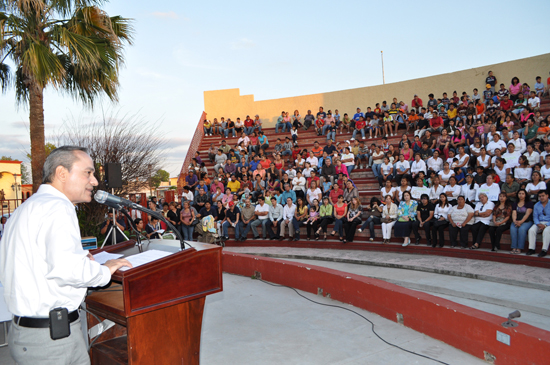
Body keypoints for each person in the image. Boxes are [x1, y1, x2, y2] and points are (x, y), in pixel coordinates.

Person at [0, 146, 132, 364]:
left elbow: (43, 264)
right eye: (87, 173)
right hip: (50, 341)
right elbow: (69, 270)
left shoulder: (28, 207)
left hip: (36, 334)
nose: (95, 181)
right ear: (62, 173)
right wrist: (105, 269)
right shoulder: (57, 207)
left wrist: (81, 260)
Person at [527, 190, 550, 257]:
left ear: (547, 195)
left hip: (549, 223)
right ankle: (531, 248)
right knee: (531, 230)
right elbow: (535, 217)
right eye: (540, 196)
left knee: (546, 231)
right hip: (539, 223)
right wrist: (538, 224)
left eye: (543, 196)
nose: (541, 197)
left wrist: (546, 225)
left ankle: (544, 250)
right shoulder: (537, 205)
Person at [510, 189, 534, 254]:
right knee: (513, 229)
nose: (521, 195)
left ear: (525, 195)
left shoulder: (529, 203)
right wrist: (515, 221)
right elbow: (514, 213)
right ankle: (514, 247)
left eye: (523, 194)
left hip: (527, 221)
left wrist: (521, 222)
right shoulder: (515, 204)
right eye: (519, 193)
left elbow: (527, 214)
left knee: (522, 229)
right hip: (517, 221)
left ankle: (519, 248)